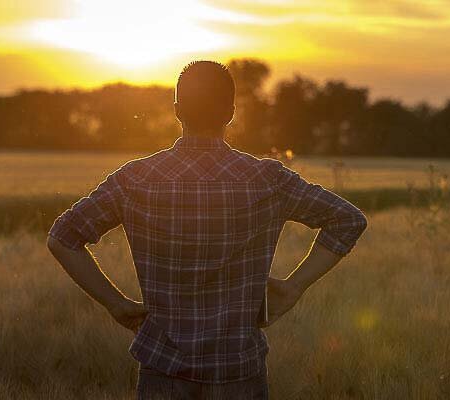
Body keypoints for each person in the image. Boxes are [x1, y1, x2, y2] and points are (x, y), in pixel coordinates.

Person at [46, 60, 368, 399]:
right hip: (239, 372)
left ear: (176, 111)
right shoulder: (268, 180)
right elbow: (348, 220)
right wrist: (294, 286)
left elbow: (62, 237)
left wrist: (115, 303)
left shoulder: (135, 180)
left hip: (163, 370)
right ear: (230, 112)